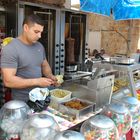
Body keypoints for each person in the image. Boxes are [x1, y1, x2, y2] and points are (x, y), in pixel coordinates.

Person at [0, 14, 58, 102]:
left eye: (41, 32)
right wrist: (37, 81)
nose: (40, 36)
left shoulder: (39, 46)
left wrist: (50, 76)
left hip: (41, 98)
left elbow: (44, 65)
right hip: (22, 102)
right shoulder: (11, 48)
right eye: (36, 31)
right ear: (26, 28)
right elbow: (8, 81)